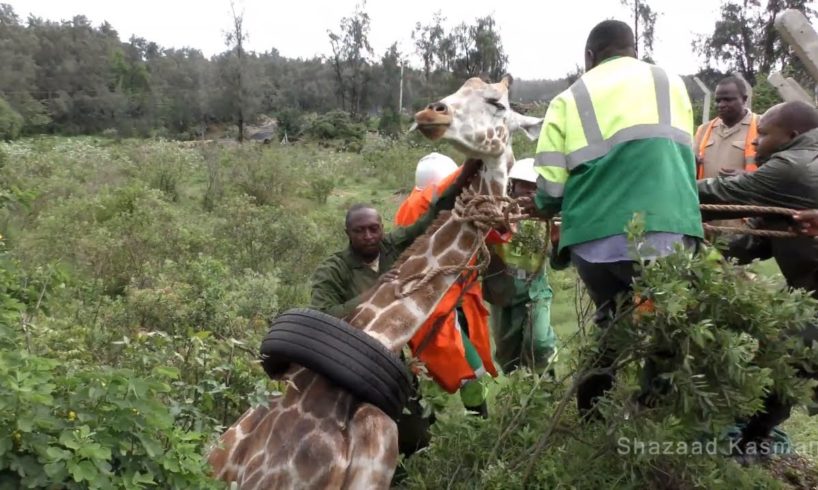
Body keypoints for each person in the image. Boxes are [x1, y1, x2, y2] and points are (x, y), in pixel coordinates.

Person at [520, 20, 704, 418]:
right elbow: (685, 155)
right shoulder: (671, 84)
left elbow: (551, 188)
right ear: (633, 48)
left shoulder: (569, 98)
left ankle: (591, 412)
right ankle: (652, 413)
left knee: (614, 323)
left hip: (595, 243)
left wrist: (545, 206)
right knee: (667, 329)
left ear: (590, 56)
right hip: (669, 231)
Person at [309, 158, 480, 457]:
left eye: (374, 229)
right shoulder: (333, 269)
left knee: (417, 436)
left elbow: (429, 219)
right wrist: (374, 292)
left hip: (392, 359)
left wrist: (466, 172)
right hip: (349, 361)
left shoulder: (389, 246)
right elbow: (323, 314)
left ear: (382, 227)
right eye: (360, 231)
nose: (369, 236)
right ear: (347, 232)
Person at [698, 100, 818, 454]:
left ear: (791, 136)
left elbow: (720, 194)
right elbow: (761, 238)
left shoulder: (791, 166)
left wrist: (655, 190)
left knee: (790, 360)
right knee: (783, 350)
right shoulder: (799, 164)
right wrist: (712, 258)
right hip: (808, 285)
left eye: (763, 135)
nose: (754, 142)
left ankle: (752, 443)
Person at [394, 152, 496, 418]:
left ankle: (449, 428)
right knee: (463, 371)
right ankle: (474, 430)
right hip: (436, 303)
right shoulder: (426, 208)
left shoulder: (412, 208)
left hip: (453, 296)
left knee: (447, 369)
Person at [483, 158, 557, 376]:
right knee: (507, 358)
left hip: (536, 290)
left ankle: (549, 383)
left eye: (536, 187)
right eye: (525, 185)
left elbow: (559, 261)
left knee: (540, 343)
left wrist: (559, 241)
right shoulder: (495, 213)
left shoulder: (548, 217)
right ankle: (521, 398)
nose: (530, 192)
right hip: (502, 293)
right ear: (512, 185)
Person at [694, 76, 760, 179]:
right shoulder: (704, 129)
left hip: (745, 194)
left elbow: (775, 170)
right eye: (718, 100)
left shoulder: (762, 125)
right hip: (705, 193)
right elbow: (690, 165)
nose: (721, 105)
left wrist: (748, 176)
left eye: (728, 100)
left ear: (744, 99)